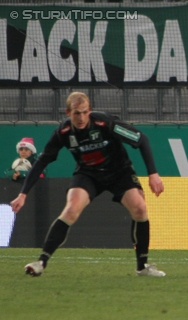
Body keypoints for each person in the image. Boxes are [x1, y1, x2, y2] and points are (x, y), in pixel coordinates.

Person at [10, 92, 166, 277]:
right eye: (77, 113)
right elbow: (42, 161)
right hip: (88, 174)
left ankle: (142, 267)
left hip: (119, 172)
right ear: (68, 112)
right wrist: (23, 193)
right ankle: (40, 262)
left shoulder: (104, 123)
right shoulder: (63, 132)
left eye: (85, 112)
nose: (81, 117)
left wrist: (153, 174)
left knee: (140, 208)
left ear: (90, 111)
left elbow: (142, 139)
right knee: (71, 210)